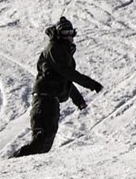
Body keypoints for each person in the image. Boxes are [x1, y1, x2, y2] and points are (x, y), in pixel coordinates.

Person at [12, 17, 102, 158]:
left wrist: (78, 100)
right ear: (59, 34)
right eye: (65, 33)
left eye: (71, 32)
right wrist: (91, 84)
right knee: (41, 140)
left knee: (46, 143)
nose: (69, 36)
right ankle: (13, 163)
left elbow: (63, 78)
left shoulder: (63, 51)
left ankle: (20, 167)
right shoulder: (55, 49)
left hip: (51, 99)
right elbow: (67, 72)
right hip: (44, 99)